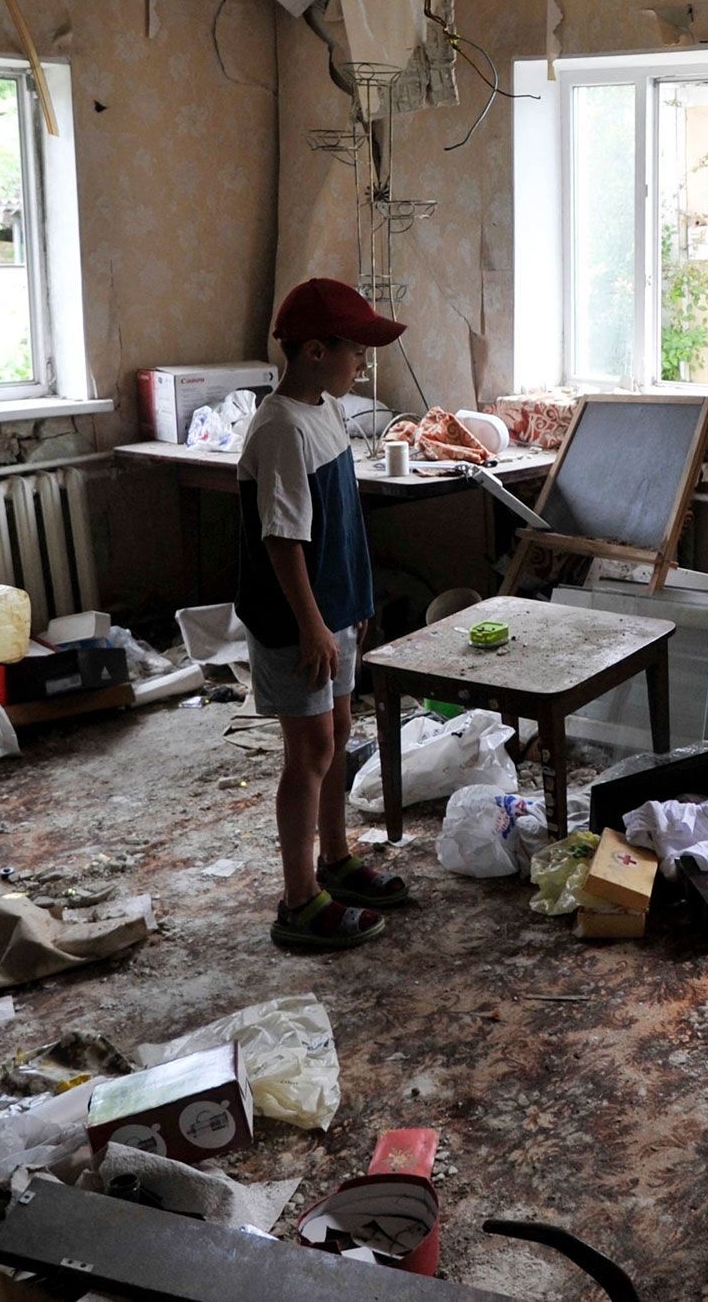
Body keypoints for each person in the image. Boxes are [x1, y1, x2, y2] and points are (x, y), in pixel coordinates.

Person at [238, 277, 416, 949]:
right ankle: (298, 901)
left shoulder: (326, 410)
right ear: (314, 350)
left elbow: (340, 522)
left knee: (339, 729)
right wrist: (314, 623)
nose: (362, 364)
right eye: (355, 351)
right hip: (295, 619)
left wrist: (355, 603)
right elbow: (282, 539)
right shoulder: (282, 426)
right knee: (308, 750)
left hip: (332, 609)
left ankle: (335, 860)